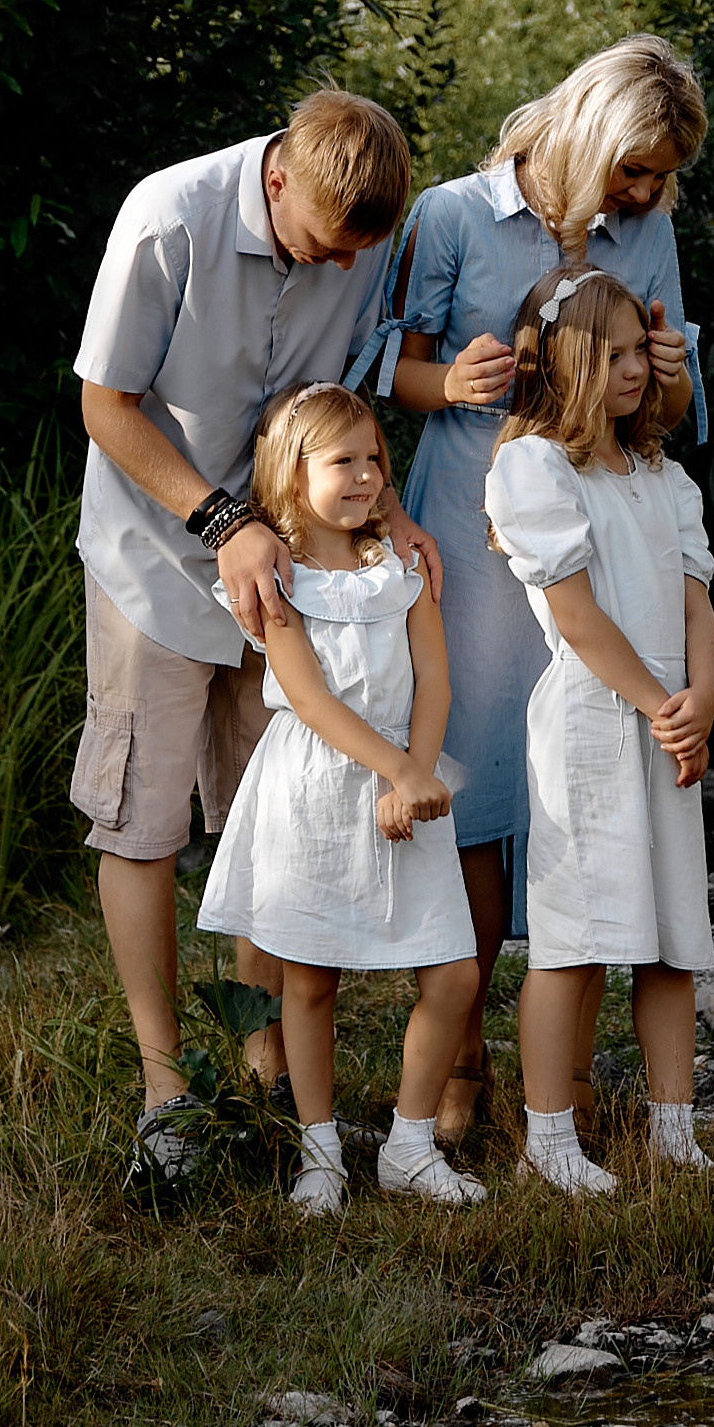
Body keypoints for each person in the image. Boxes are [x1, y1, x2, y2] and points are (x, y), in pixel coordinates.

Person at [71, 91, 435, 1191]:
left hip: (294, 574)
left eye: (358, 254)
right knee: (143, 817)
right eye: (327, 246)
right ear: (278, 178)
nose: (342, 270)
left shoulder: (365, 237)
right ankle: (165, 1089)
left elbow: (353, 390)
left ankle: (265, 1066)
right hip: (157, 557)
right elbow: (105, 402)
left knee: (265, 812)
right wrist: (224, 521)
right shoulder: (166, 220)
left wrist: (389, 506)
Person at [358, 34, 709, 1145]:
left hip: (598, 530)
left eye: (660, 180)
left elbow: (679, 405)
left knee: (590, 784)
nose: (649, 195)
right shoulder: (457, 215)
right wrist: (445, 378)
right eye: (636, 170)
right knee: (483, 794)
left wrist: (669, 374)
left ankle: (554, 1073)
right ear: (591, 135)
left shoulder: (647, 233)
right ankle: (460, 1052)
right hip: (475, 519)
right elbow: (387, 371)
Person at [195, 383, 484, 1215]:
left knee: (454, 973)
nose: (365, 476)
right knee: (310, 977)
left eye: (374, 459)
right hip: (318, 784)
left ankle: (407, 1141)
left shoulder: (401, 565)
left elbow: (433, 676)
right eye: (342, 461)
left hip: (412, 778)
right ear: (290, 476)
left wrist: (417, 772)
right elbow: (312, 700)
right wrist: (396, 772)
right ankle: (319, 1151)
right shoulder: (277, 579)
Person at [483, 266, 714, 1196]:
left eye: (640, 352)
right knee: (574, 935)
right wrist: (661, 706)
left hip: (669, 724)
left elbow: (698, 604)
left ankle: (673, 1129)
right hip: (591, 716)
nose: (638, 370)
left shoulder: (662, 474)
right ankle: (547, 1140)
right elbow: (576, 615)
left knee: (670, 939)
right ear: (569, 360)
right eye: (614, 354)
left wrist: (700, 699)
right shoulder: (534, 466)